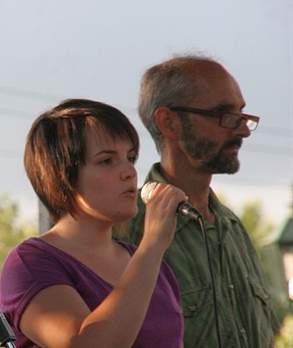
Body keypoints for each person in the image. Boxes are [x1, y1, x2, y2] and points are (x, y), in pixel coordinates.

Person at [117, 54, 280, 348]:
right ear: (169, 122)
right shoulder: (128, 227)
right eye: (223, 114)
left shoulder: (231, 226)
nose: (243, 129)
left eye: (242, 114)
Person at [0, 99, 185, 348]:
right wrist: (151, 246)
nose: (129, 171)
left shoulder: (154, 266)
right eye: (107, 161)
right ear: (61, 176)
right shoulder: (30, 262)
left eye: (130, 157)